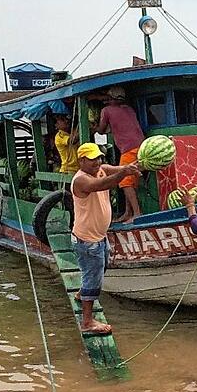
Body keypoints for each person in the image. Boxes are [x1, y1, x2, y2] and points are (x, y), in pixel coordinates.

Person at [71, 143, 141, 334]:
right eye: (93, 159)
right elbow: (104, 184)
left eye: (99, 158)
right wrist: (125, 172)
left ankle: (81, 293)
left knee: (101, 268)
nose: (98, 162)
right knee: (93, 279)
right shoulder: (80, 180)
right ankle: (87, 322)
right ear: (82, 161)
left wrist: (138, 165)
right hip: (88, 240)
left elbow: (119, 169)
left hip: (100, 236)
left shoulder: (101, 170)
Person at [96, 86, 145, 223]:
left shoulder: (106, 110)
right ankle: (128, 213)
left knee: (125, 183)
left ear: (110, 98)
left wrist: (95, 127)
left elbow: (101, 130)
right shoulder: (129, 109)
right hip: (141, 147)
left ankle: (137, 214)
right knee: (130, 181)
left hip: (129, 149)